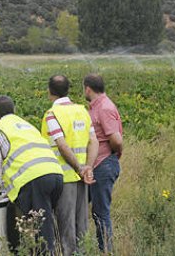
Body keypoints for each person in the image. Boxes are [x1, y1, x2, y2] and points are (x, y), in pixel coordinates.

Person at [0, 95, 63, 253]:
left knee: (41, 232)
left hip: (35, 179)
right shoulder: (26, 125)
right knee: (41, 223)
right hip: (56, 175)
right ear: (14, 110)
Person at [41, 75, 99, 255]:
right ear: (68, 90)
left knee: (66, 227)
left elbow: (62, 145)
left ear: (49, 92)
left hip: (64, 177)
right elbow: (93, 141)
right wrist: (88, 167)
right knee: (82, 225)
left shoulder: (52, 115)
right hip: (82, 176)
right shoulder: (82, 111)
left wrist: (80, 168)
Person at [83, 74, 123, 253]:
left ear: (88, 88)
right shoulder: (97, 107)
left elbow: (116, 139)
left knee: (101, 213)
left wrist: (113, 154)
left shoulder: (104, 108)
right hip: (97, 165)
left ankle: (106, 251)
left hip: (103, 164)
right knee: (91, 210)